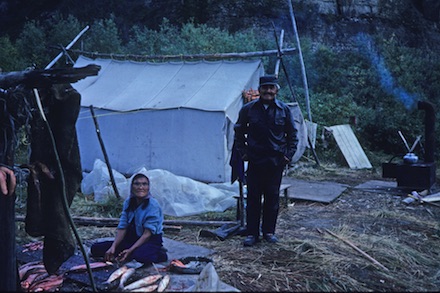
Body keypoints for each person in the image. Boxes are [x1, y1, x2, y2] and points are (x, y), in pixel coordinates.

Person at [233, 75, 298, 247]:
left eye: (271, 88)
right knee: (253, 198)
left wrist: (287, 156)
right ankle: (252, 233)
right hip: (255, 161)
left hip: (275, 163)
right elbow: (238, 133)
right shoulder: (248, 110)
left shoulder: (284, 110)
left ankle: (269, 232)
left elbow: (293, 135)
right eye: (265, 88)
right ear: (259, 89)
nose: (268, 91)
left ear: (276, 90)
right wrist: (244, 153)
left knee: (272, 198)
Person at [90, 172, 168, 264]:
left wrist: (130, 250)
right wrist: (113, 247)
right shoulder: (128, 202)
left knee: (139, 257)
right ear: (132, 186)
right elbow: (123, 227)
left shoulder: (153, 206)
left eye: (144, 184)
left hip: (149, 240)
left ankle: (159, 253)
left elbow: (147, 234)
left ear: (148, 187)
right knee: (95, 249)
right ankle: (128, 252)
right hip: (131, 239)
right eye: (137, 184)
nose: (140, 187)